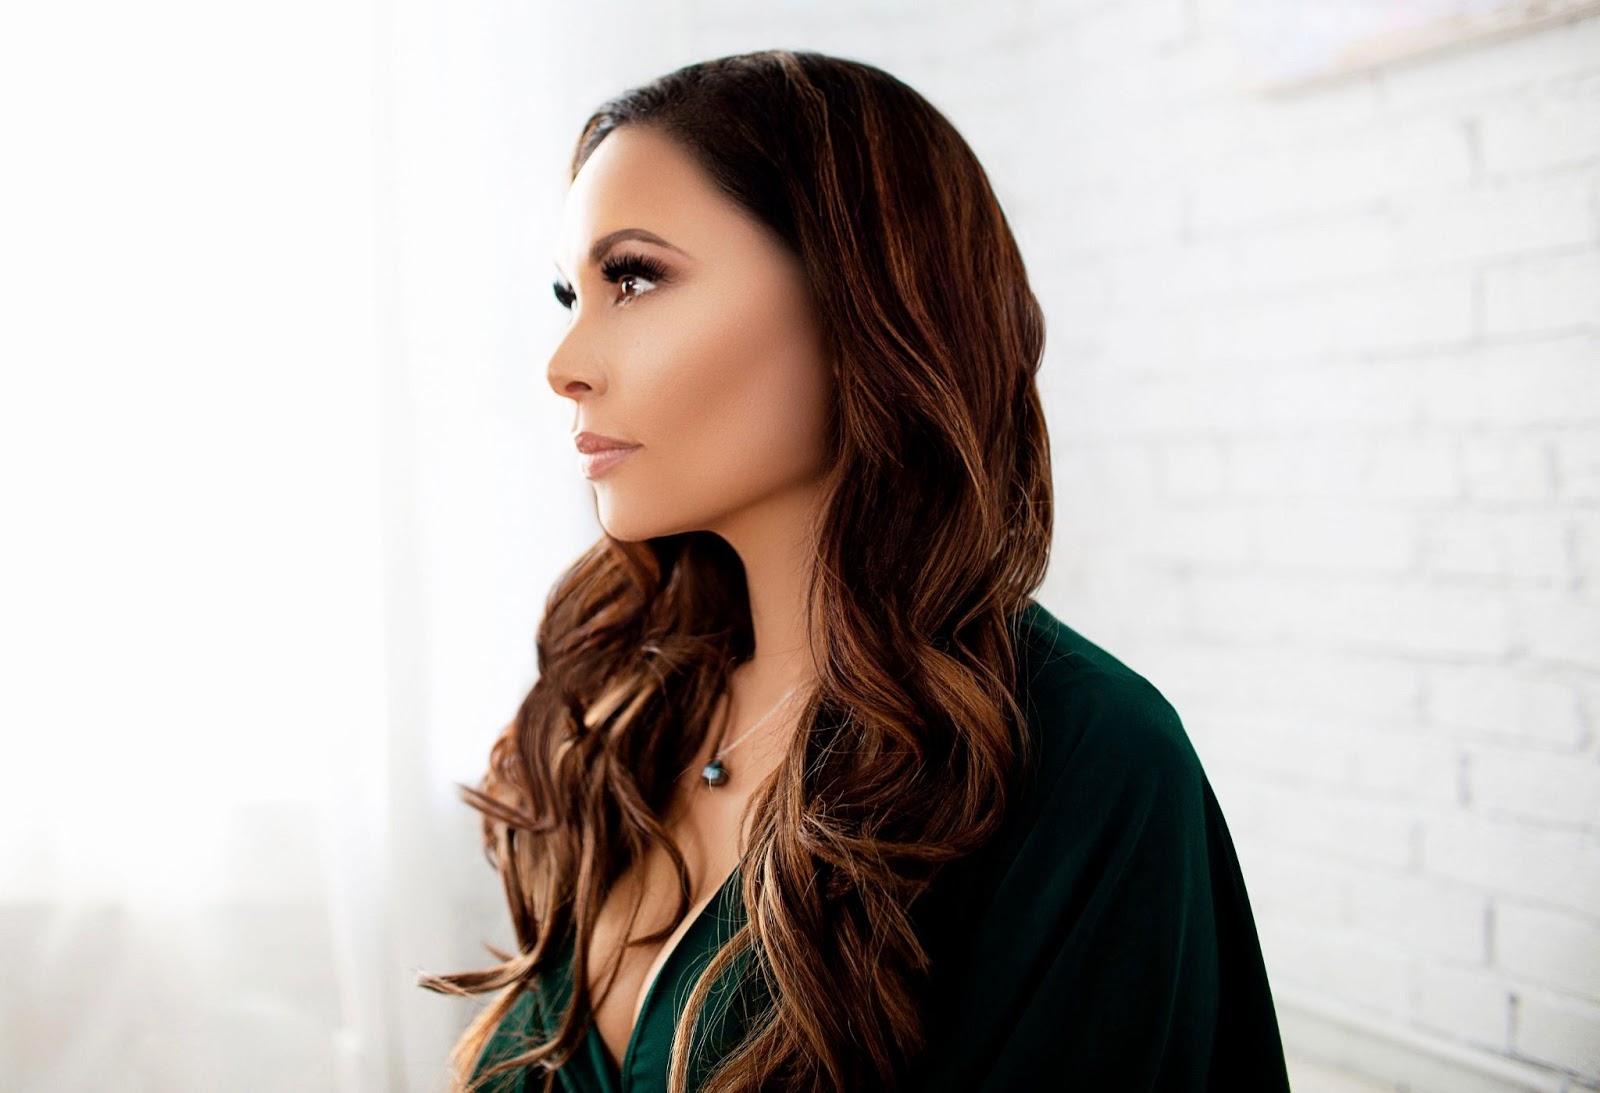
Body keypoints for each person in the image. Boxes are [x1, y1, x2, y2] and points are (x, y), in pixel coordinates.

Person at [418, 48, 1292, 1093]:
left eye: (635, 279)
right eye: (572, 293)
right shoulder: (628, 704)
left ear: (856, 303)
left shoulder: (1087, 759)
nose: (563, 364)